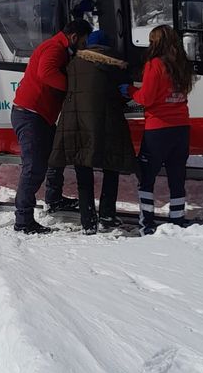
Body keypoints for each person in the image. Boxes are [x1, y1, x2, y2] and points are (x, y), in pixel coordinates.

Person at [49, 30, 137, 235]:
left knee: (83, 170)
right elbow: (122, 94)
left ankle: (88, 221)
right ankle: (107, 214)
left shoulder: (72, 64)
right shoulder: (115, 64)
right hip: (107, 121)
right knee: (111, 166)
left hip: (77, 121)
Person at [11, 20, 93, 234]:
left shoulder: (61, 48)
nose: (84, 46)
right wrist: (73, 88)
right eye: (83, 42)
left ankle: (54, 199)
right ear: (74, 37)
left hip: (42, 117)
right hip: (30, 115)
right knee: (33, 168)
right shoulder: (54, 48)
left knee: (55, 158)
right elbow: (46, 74)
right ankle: (23, 221)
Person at [123, 25, 196, 235]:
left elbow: (146, 98)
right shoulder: (182, 65)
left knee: (146, 177)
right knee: (177, 176)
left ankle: (147, 223)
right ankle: (177, 220)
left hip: (158, 128)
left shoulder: (154, 64)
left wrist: (129, 90)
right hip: (182, 127)